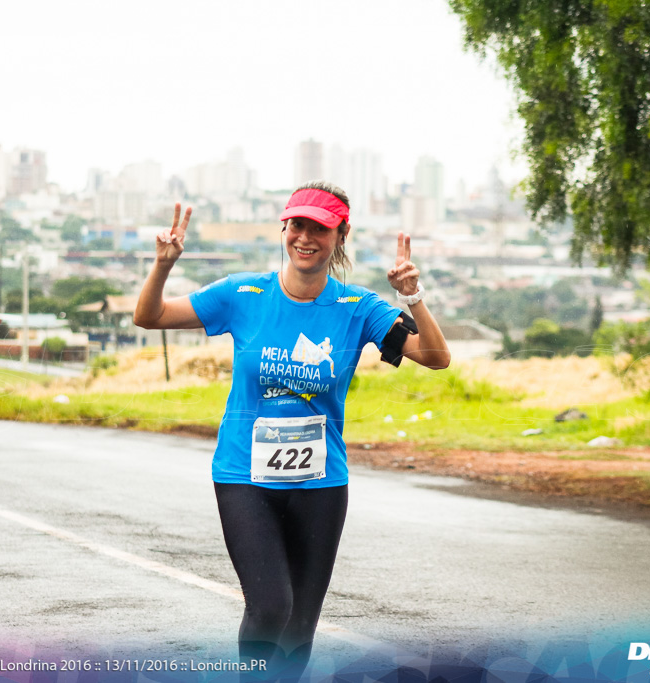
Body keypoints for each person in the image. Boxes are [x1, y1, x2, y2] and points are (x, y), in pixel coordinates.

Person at [134, 181, 449, 679]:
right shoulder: (243, 294)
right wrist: (164, 265)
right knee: (271, 607)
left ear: (340, 234)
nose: (305, 237)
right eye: (297, 224)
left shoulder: (358, 308)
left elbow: (435, 358)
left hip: (320, 484)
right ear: (284, 227)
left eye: (319, 228)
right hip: (244, 476)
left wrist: (413, 298)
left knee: (301, 625)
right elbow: (148, 317)